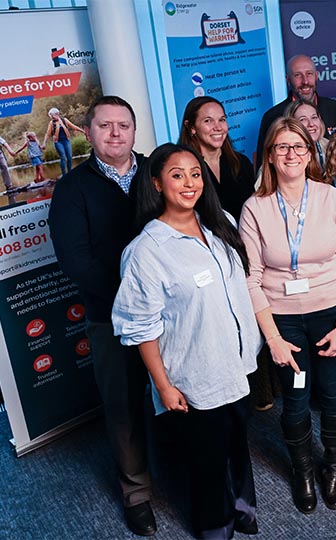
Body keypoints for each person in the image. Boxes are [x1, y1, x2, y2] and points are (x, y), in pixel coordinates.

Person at [112, 144, 260, 538]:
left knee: (237, 442)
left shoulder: (221, 223)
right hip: (194, 373)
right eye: (177, 175)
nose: (189, 182)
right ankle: (216, 526)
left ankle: (243, 506)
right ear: (157, 183)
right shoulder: (146, 251)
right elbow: (140, 326)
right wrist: (163, 385)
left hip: (236, 362)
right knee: (206, 459)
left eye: (195, 173)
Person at [239, 118, 336, 514]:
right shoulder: (254, 207)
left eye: (299, 147)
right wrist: (272, 339)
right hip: (284, 321)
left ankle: (333, 468)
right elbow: (251, 278)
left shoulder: (330, 198)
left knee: (333, 393)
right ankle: (304, 471)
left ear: (311, 153)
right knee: (295, 398)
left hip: (330, 315)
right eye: (282, 147)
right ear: (270, 156)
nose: (291, 154)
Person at [48, 96, 156, 537]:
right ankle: (137, 493)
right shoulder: (72, 189)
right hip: (111, 316)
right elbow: (76, 262)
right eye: (106, 126)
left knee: (183, 389)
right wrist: (135, 298)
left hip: (173, 311)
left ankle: (189, 470)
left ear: (134, 130)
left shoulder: (156, 170)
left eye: (124, 125)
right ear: (88, 133)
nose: (116, 133)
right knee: (124, 405)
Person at [256, 54, 336, 169]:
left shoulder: (335, 109)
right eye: (298, 75)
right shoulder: (273, 117)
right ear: (288, 80)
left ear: (317, 76)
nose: (305, 81)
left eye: (309, 74)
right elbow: (264, 165)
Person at [178, 96, 255, 221]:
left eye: (222, 120)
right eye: (208, 121)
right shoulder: (181, 171)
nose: (218, 127)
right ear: (191, 127)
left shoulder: (241, 163)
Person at [286, 100, 329, 172]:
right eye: (303, 119)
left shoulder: (331, 148)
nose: (311, 124)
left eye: (314, 117)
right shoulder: (282, 155)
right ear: (291, 125)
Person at [43, 107, 83, 176]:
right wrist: (44, 143)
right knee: (63, 157)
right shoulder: (51, 123)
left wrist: (82, 131)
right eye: (51, 116)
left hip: (66, 141)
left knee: (69, 157)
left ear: (57, 114)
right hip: (58, 142)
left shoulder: (64, 120)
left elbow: (73, 126)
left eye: (52, 116)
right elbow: (48, 133)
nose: (52, 117)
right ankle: (64, 174)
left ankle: (70, 173)